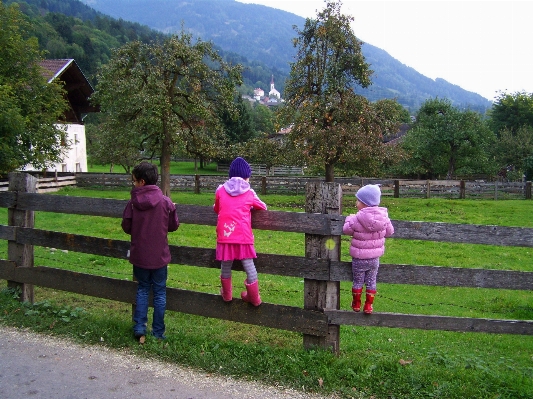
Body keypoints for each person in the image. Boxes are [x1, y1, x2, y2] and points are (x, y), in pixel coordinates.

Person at [121, 161, 179, 341]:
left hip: (140, 255)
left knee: (143, 289)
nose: (134, 184)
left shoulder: (132, 203)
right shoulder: (165, 202)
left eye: (135, 181)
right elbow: (173, 226)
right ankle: (158, 332)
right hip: (159, 256)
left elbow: (126, 226)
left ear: (142, 182)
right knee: (160, 292)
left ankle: (139, 327)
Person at [214, 157, 267, 306]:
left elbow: (216, 208)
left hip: (225, 235)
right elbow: (263, 207)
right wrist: (249, 207)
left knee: (225, 266)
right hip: (243, 236)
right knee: (249, 267)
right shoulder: (249, 192)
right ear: (247, 177)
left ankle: (227, 295)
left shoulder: (220, 190)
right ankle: (254, 298)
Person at [343, 184, 394, 314]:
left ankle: (356, 303)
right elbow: (389, 232)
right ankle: (368, 306)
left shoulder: (356, 218)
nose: (356, 203)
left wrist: (348, 218)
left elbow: (346, 230)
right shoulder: (384, 218)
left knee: (358, 281)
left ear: (364, 203)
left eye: (358, 200)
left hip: (359, 259)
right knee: (371, 281)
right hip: (374, 259)